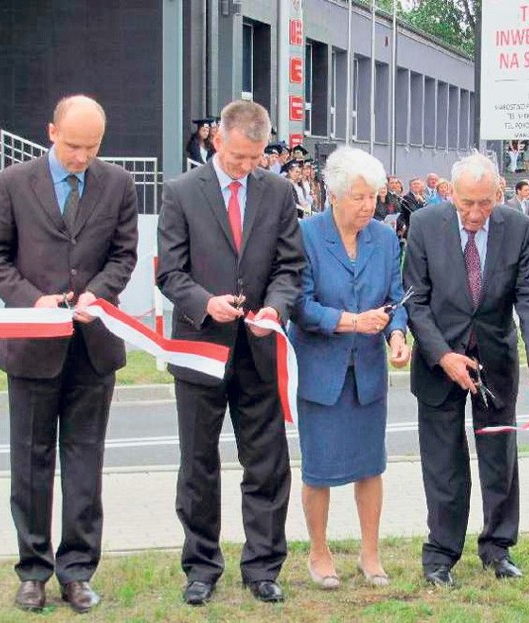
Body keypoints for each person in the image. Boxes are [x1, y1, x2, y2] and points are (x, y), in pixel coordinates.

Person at [0, 95, 139, 614]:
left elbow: (124, 255)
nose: (81, 157)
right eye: (72, 146)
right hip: (30, 347)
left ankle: (77, 572)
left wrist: (99, 292)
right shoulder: (12, 182)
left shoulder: (118, 183)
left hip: (92, 348)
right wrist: (33, 302)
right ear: (51, 132)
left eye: (91, 147)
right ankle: (32, 571)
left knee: (84, 464)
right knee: (30, 464)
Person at [156, 99, 305, 606]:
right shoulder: (180, 193)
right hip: (199, 347)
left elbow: (290, 267)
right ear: (218, 139)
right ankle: (201, 566)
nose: (246, 167)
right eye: (239, 156)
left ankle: (263, 567)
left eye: (256, 158)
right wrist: (205, 302)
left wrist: (276, 309)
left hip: (258, 349)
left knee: (266, 462)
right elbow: (169, 272)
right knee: (198, 464)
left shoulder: (280, 192)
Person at [403, 152, 529, 588]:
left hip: (495, 359)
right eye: (466, 202)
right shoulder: (427, 225)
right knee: (443, 460)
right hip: (440, 362)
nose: (474, 213)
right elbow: (415, 299)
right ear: (450, 194)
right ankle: (441, 552)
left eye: (484, 203)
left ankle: (498, 547)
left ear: (498, 194)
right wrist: (442, 355)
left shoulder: (518, 227)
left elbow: (528, 294)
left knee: (498, 457)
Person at [289, 146, 411, 590]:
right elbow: (299, 305)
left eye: (373, 197)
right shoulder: (305, 235)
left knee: (369, 466)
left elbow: (395, 299)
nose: (368, 206)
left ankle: (370, 553)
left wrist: (397, 336)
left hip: (368, 376)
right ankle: (319, 553)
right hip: (321, 372)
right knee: (318, 468)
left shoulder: (384, 237)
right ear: (334, 195)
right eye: (358, 197)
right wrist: (350, 322)